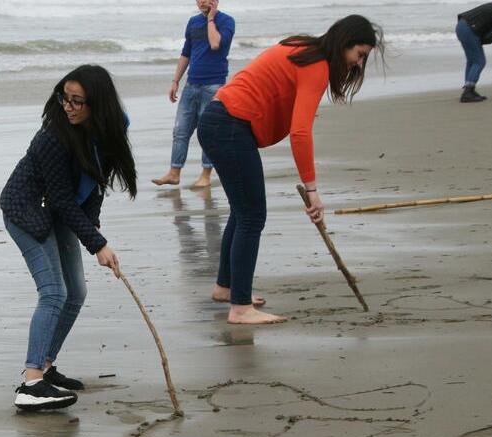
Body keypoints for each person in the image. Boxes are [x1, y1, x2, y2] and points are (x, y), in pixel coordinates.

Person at [196, 15, 383, 324]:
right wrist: (312, 190)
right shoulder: (316, 66)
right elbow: (299, 133)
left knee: (242, 211)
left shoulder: (302, 46)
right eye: (359, 54)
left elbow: (277, 94)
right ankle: (240, 308)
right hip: (229, 125)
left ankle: (225, 288)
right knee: (252, 215)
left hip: (219, 120)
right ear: (343, 43)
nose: (359, 64)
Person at [0, 64, 137, 411]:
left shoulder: (111, 128)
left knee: (76, 292)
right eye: (65, 98)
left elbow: (94, 185)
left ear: (98, 105)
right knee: (54, 292)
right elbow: (60, 198)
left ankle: (45, 367)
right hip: (27, 211)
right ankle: (31, 383)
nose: (68, 107)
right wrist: (97, 244)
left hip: (59, 212)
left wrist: (93, 229)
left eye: (78, 101)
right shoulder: (52, 137)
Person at [152, 0, 235, 189]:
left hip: (214, 85)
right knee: (180, 131)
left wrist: (211, 19)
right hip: (191, 84)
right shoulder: (192, 22)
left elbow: (215, 44)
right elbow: (186, 53)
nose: (203, 2)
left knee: (208, 132)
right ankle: (174, 173)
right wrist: (175, 81)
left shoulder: (227, 21)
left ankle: (205, 175)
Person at [456, 0, 492, 102]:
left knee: (472, 60)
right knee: (479, 61)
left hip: (461, 26)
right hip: (469, 30)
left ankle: (469, 89)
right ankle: (468, 92)